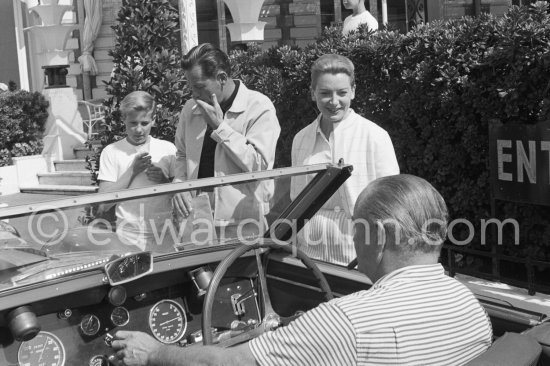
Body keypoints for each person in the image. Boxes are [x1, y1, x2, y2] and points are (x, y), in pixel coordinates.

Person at [110, 174, 493, 365]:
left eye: (354, 227)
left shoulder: (347, 321)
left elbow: (228, 363)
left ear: (377, 236)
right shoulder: (470, 308)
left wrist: (154, 352)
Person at [291, 54, 399, 265]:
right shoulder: (300, 139)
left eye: (341, 93)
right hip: (310, 258)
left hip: (360, 259)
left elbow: (393, 204)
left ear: (353, 91)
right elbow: (296, 200)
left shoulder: (375, 136)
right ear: (313, 93)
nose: (334, 102)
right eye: (325, 93)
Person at [172, 43, 280, 229]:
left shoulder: (259, 107)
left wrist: (220, 127)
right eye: (191, 88)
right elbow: (182, 154)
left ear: (221, 78)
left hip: (242, 222)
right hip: (196, 218)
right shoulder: (191, 108)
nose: (194, 94)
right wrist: (179, 184)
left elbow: (259, 166)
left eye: (199, 87)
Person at [97, 91, 176, 251]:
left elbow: (181, 197)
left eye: (144, 123)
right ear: (123, 119)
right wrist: (131, 172)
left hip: (166, 235)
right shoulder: (111, 151)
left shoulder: (167, 149)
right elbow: (103, 204)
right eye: (133, 123)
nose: (139, 129)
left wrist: (163, 181)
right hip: (128, 238)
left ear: (153, 120)